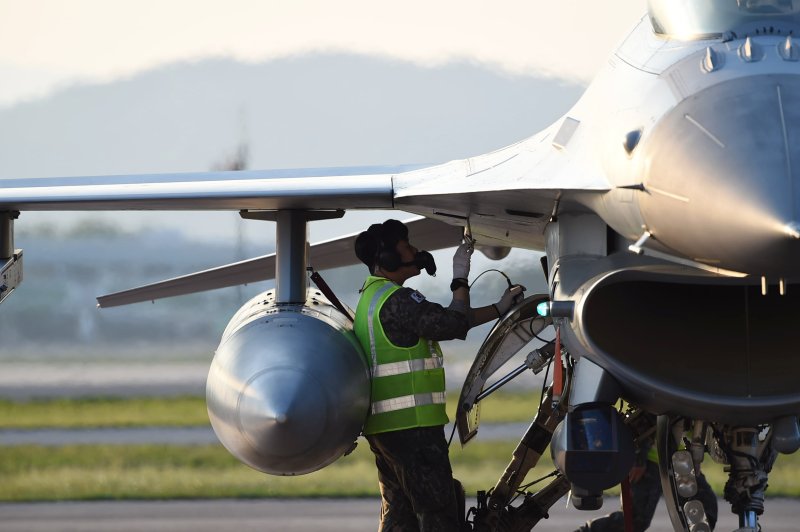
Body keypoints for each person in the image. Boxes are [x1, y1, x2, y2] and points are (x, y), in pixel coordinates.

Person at [353, 219, 523, 532]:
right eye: (407, 247)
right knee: (438, 514)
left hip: (386, 430)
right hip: (414, 431)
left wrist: (499, 309)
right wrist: (460, 278)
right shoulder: (398, 300)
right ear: (388, 258)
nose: (416, 251)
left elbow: (447, 319)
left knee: (400, 517)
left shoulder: (371, 300)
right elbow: (453, 324)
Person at [574, 443, 718, 532]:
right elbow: (648, 410)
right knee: (634, 520)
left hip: (679, 459)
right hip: (650, 461)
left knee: (703, 516)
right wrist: (639, 458)